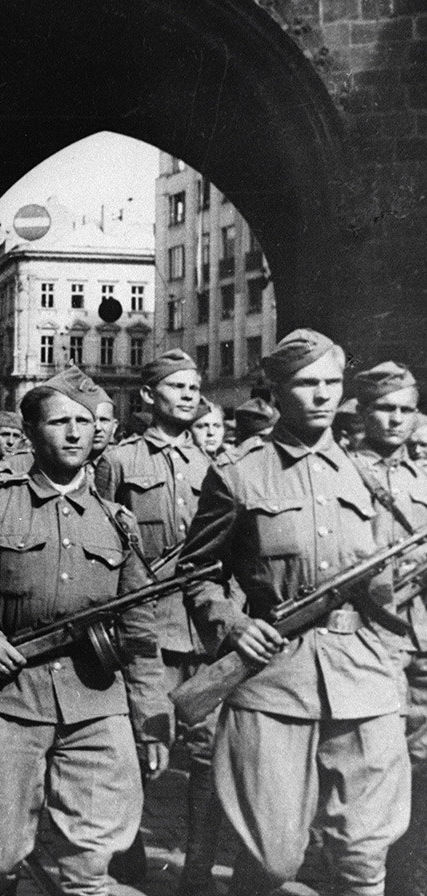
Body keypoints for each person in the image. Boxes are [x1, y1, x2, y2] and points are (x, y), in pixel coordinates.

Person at [0, 365, 169, 896]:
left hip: (97, 705)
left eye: (85, 421)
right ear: (30, 433)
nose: (74, 432)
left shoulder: (116, 521)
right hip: (7, 702)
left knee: (91, 866)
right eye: (59, 422)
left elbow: (139, 626)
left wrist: (150, 715)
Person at [178, 329, 410, 896]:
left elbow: (390, 582)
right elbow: (197, 572)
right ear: (278, 392)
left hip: (365, 674)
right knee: (274, 856)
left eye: (332, 383)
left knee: (365, 852)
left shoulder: (369, 476)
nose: (323, 395)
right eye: (307, 384)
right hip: (275, 678)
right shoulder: (237, 472)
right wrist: (233, 625)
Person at [94, 348, 214, 892]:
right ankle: (129, 847)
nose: (190, 394)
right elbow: (97, 541)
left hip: (205, 634)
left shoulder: (217, 465)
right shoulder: (119, 462)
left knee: (210, 758)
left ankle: (200, 866)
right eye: (177, 386)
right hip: (146, 635)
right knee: (144, 750)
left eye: (195, 386)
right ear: (147, 395)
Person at [345, 362, 427, 896]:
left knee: (422, 761)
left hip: (422, 638)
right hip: (368, 637)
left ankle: (406, 875)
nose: (396, 419)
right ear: (364, 412)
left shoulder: (425, 477)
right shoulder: (343, 473)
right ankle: (356, 870)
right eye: (385, 408)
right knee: (370, 765)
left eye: (405, 409)